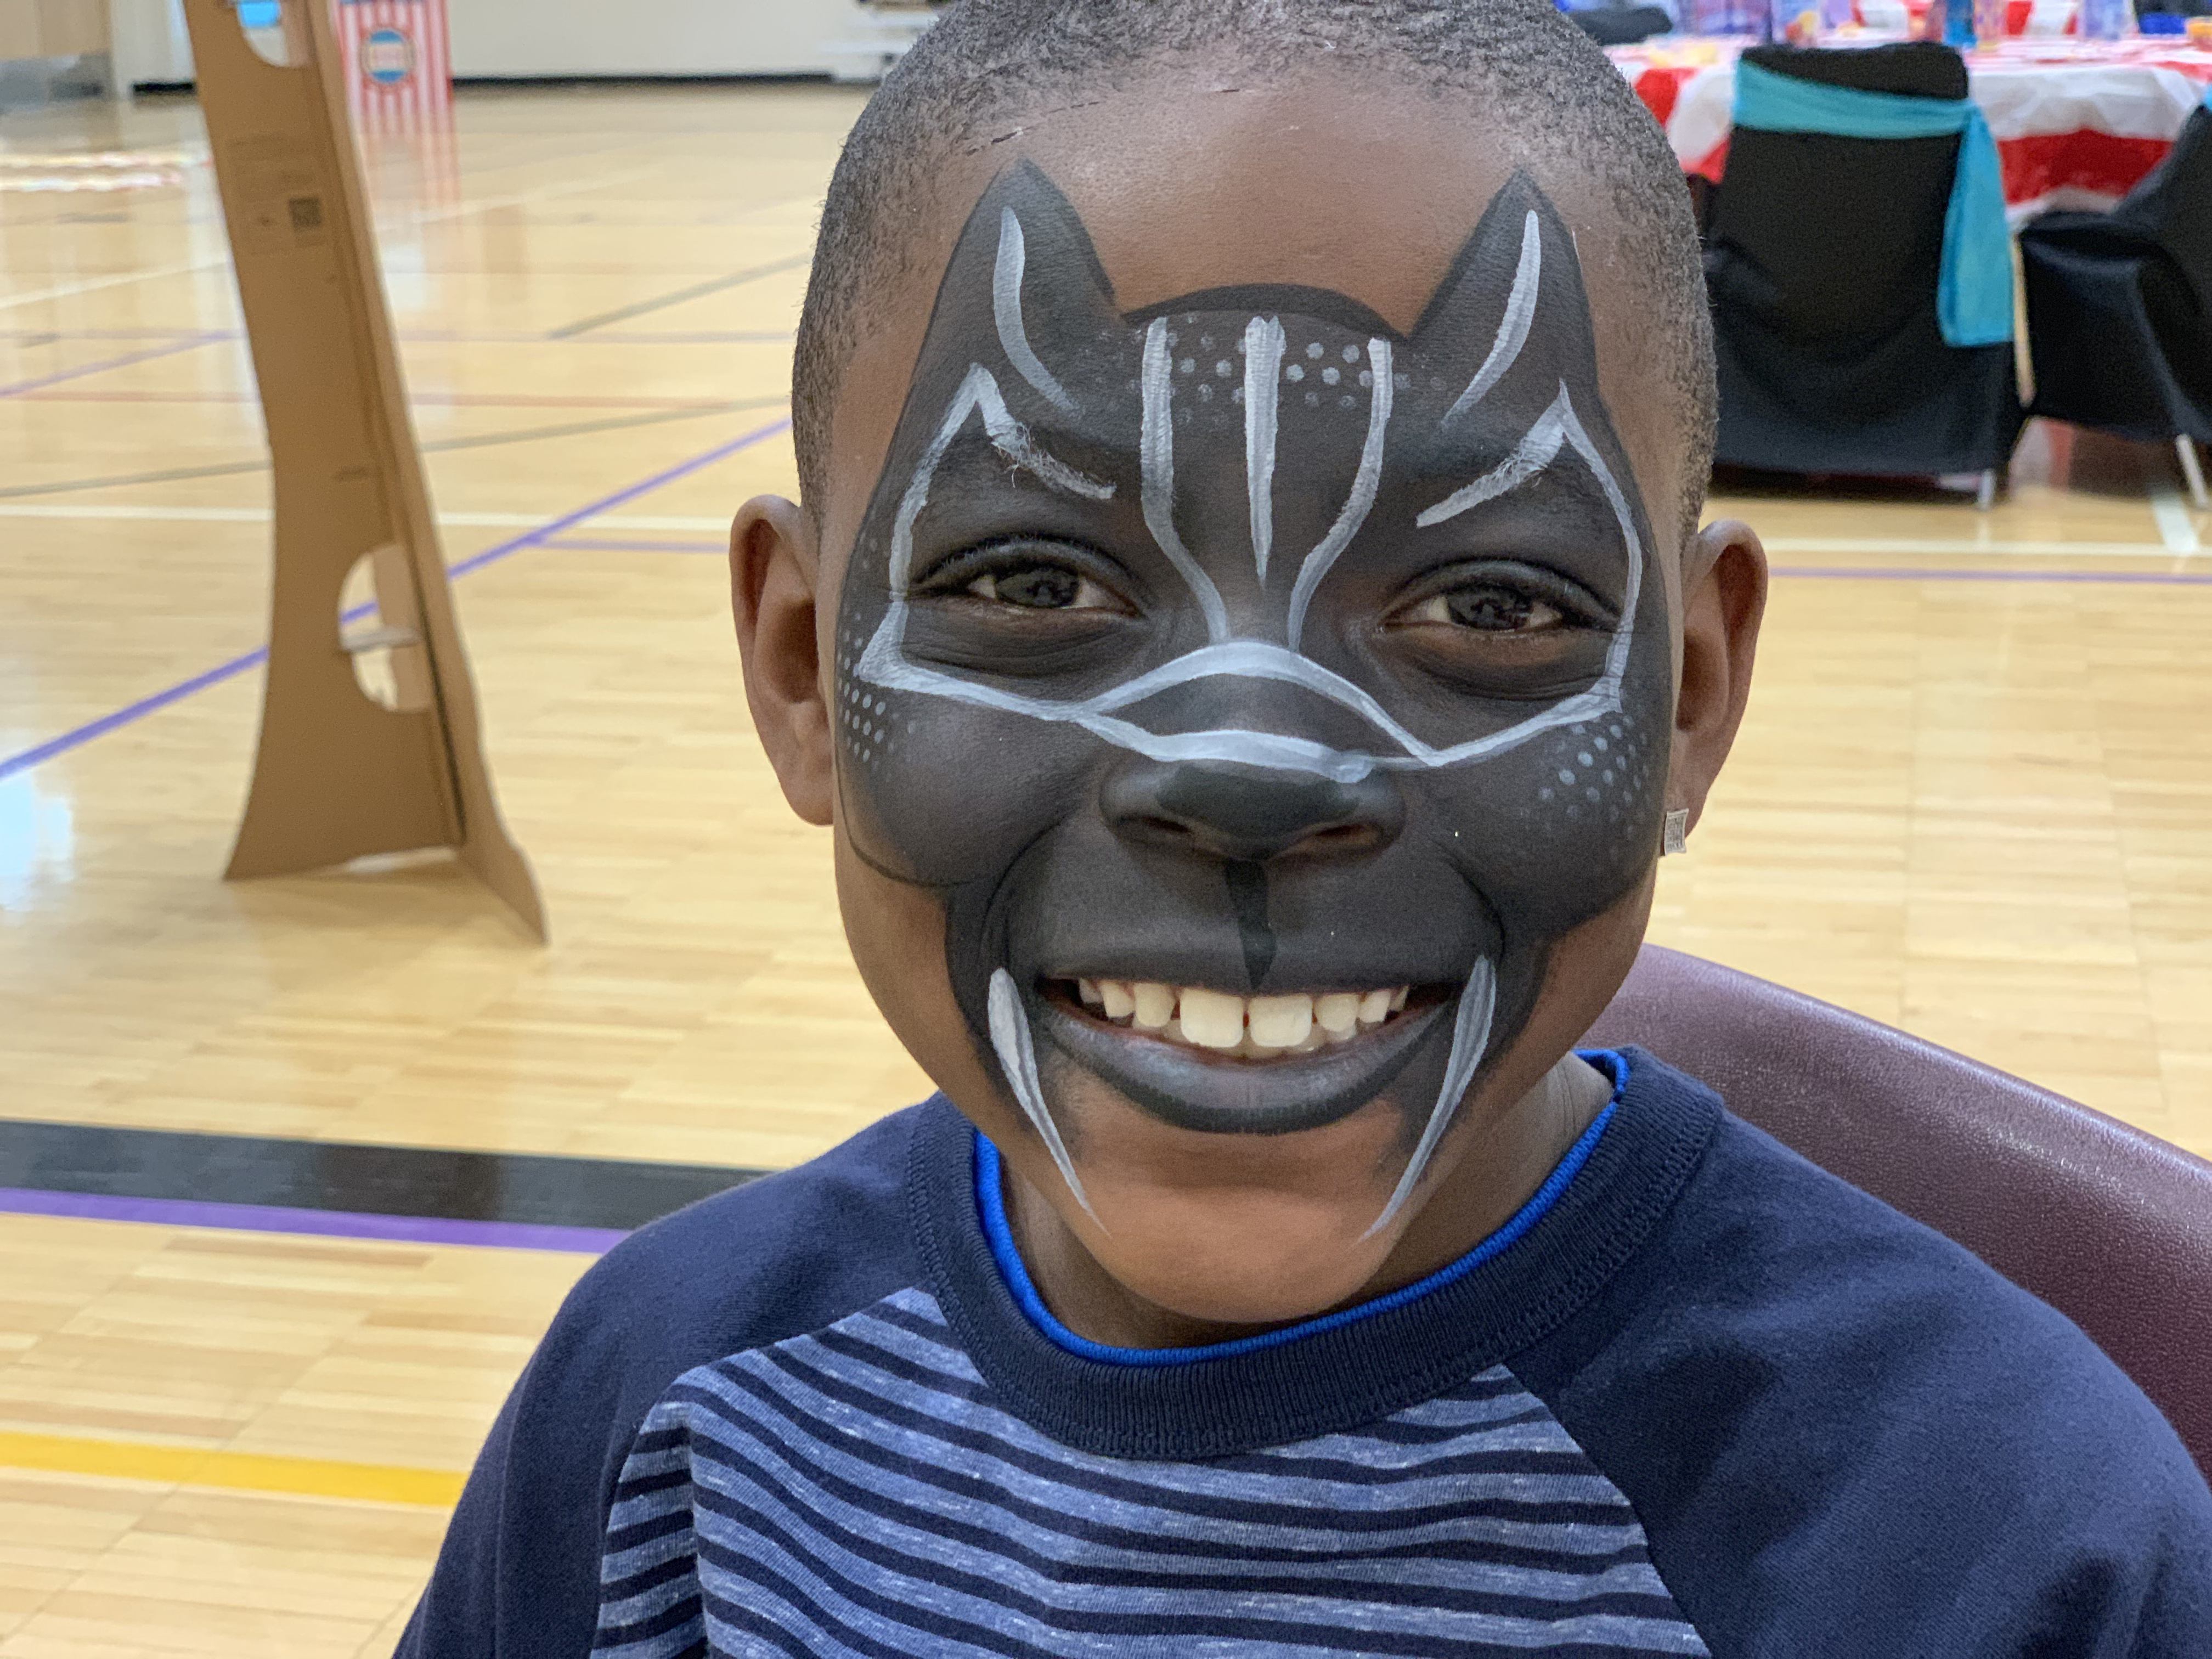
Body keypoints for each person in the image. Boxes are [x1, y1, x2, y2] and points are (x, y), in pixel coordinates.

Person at [396, 2, 2212, 1653]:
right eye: (1032, 577)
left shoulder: (2011, 1557)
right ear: (802, 666)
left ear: (1689, 698)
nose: (1251, 773)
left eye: (1493, 607)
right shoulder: (666, 1419)